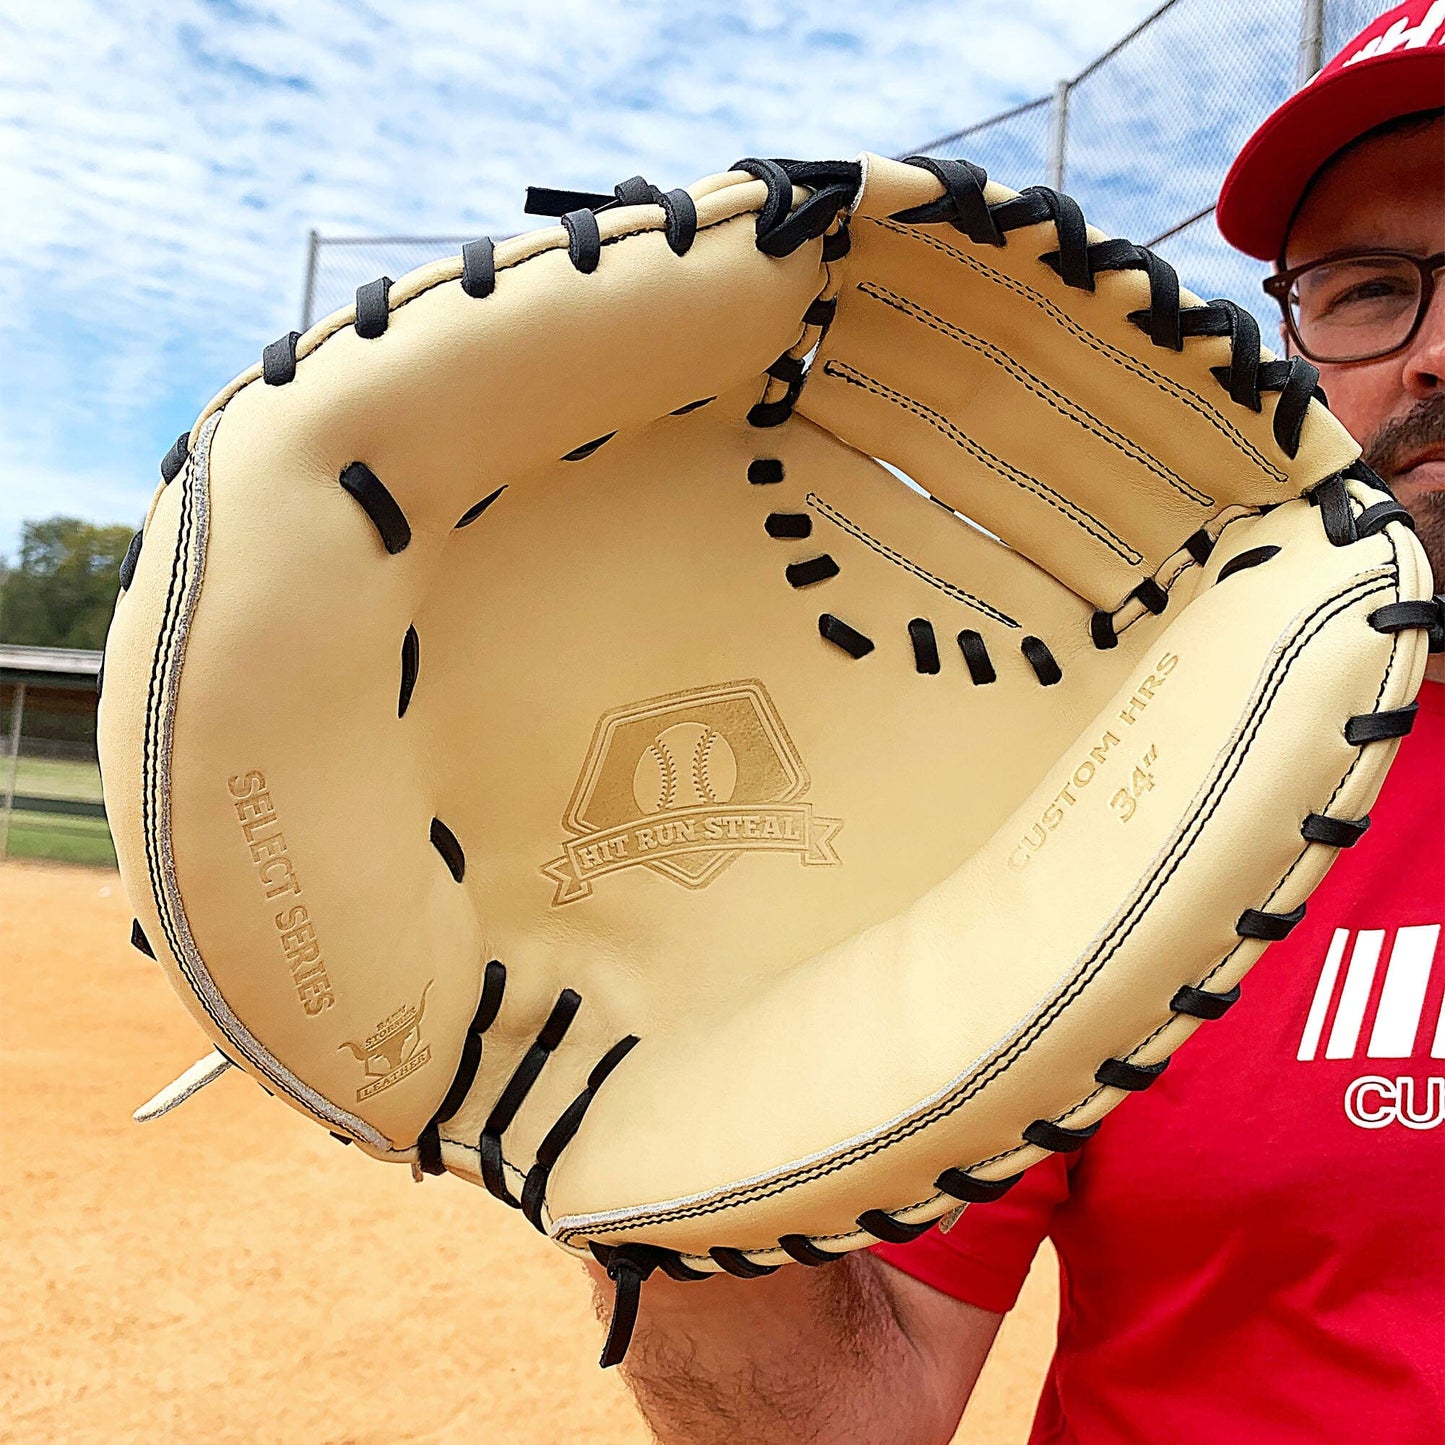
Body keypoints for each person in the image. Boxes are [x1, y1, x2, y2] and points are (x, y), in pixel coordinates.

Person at [588, 6, 1445, 1441]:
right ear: (1300, 349)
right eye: (1369, 288)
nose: (1435, 355)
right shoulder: (1130, 780)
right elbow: (841, 1420)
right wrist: (646, 1112)